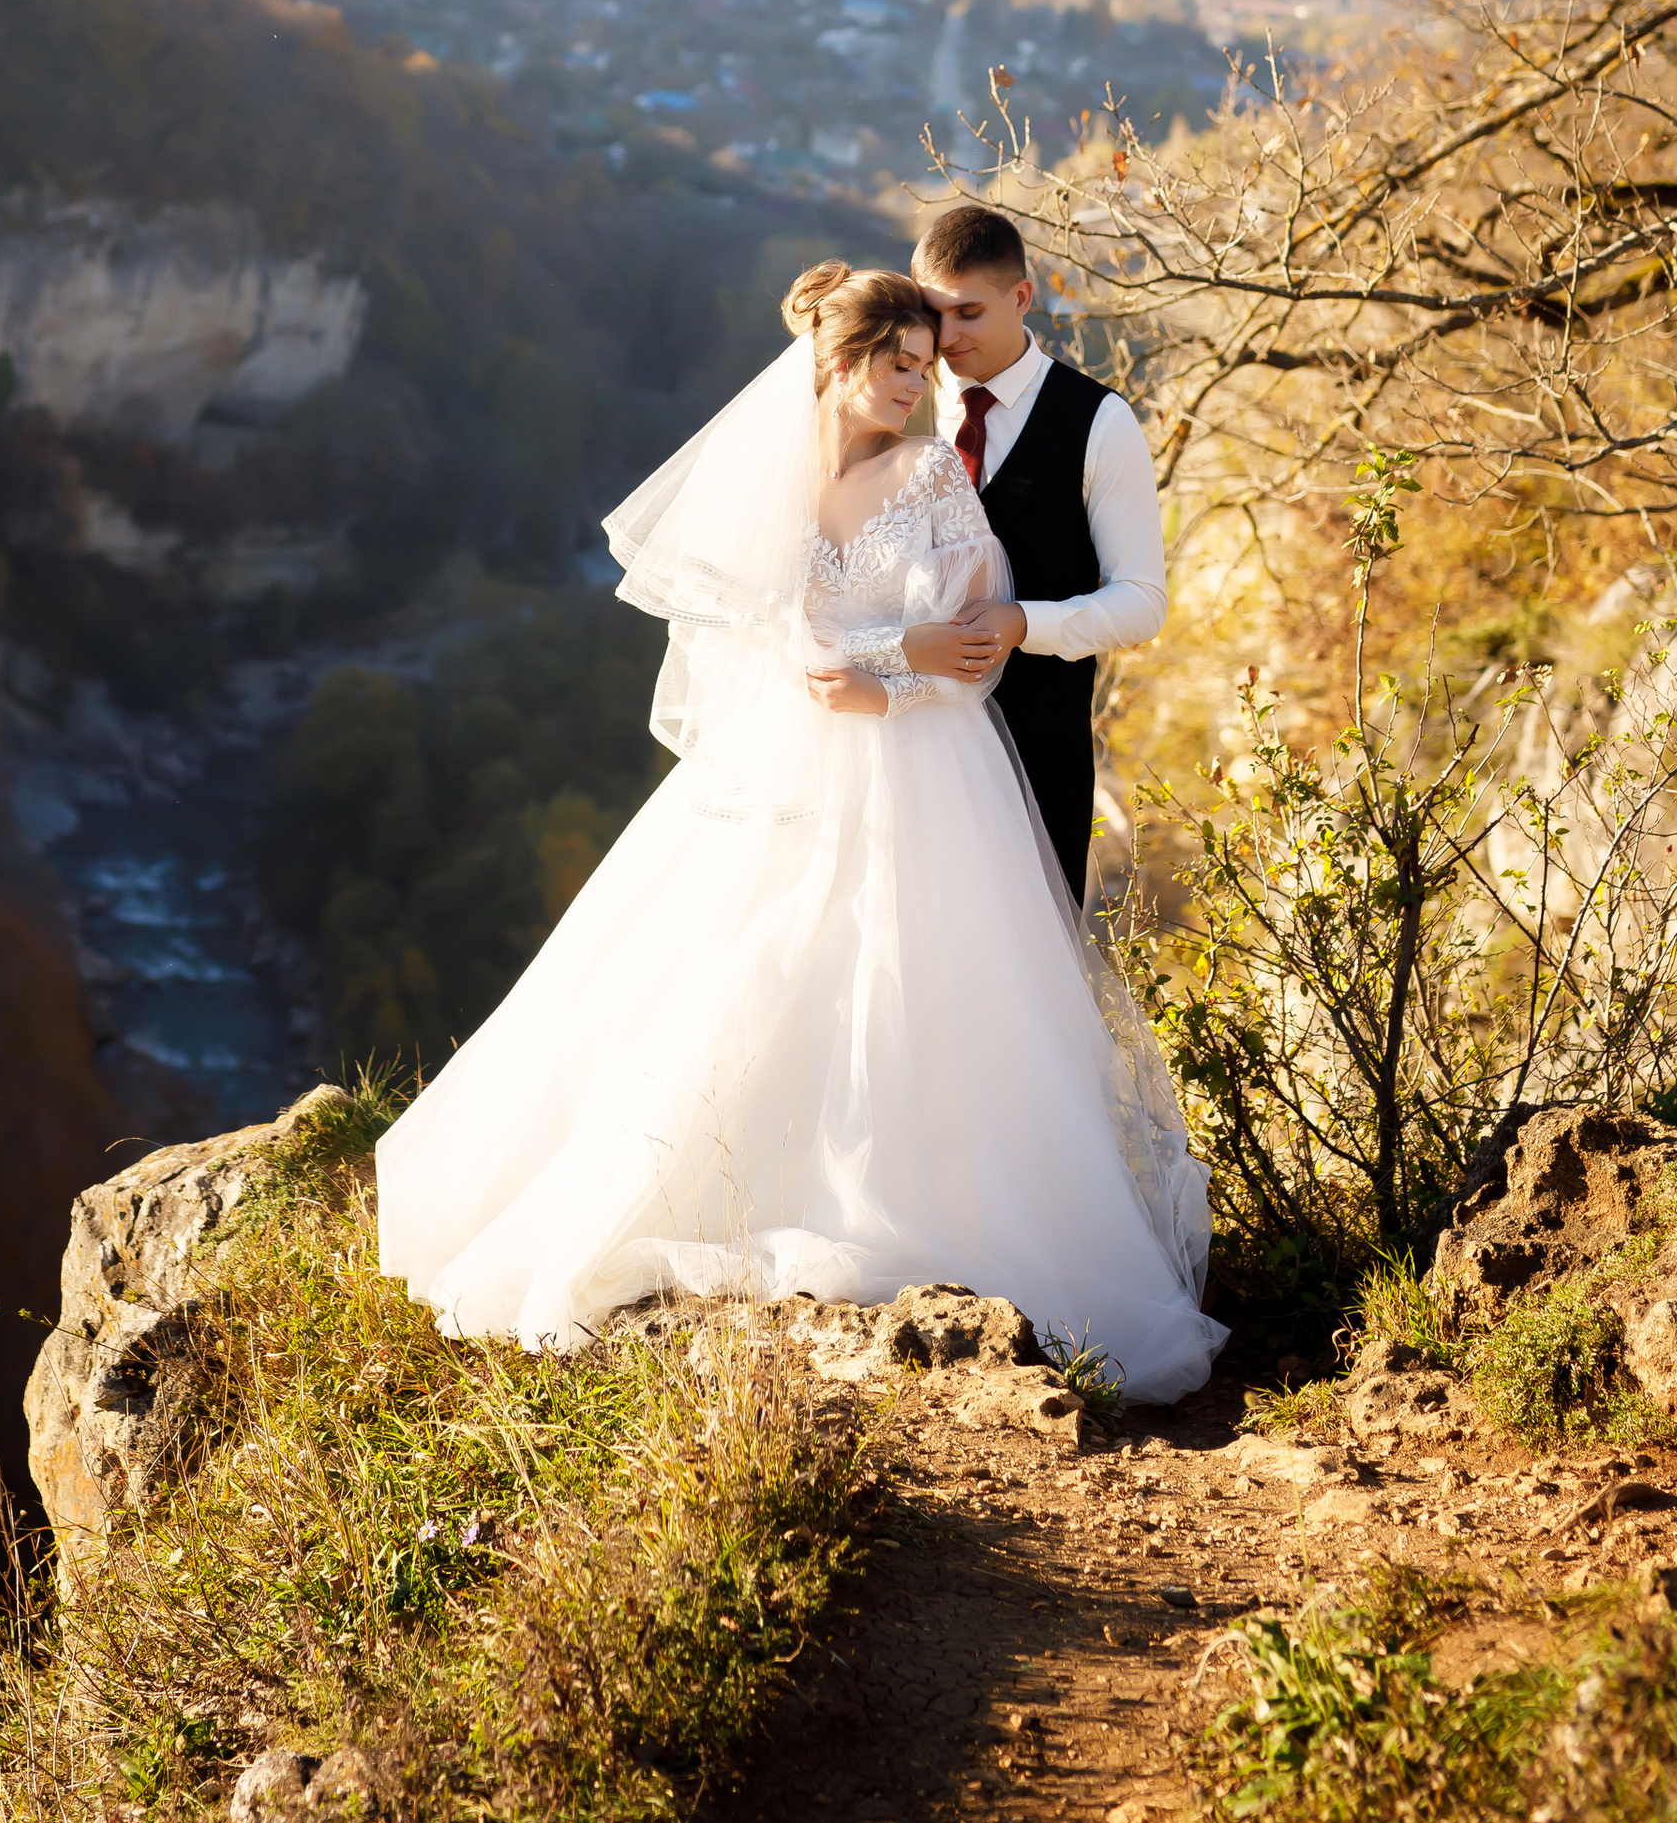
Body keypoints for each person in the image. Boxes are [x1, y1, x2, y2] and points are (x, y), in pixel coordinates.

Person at [371, 263, 1223, 1398]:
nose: (915, 390)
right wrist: (869, 661)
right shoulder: (764, 487)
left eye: (925, 370)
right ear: (836, 359)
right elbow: (763, 656)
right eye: (897, 365)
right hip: (780, 770)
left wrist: (898, 677)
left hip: (928, 772)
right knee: (743, 978)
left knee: (913, 988)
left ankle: (933, 1223)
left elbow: (969, 650)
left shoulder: (928, 475)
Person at [905, 200, 1166, 904]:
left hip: (1037, 760)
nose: (946, 336)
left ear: (1021, 297)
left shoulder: (1100, 423)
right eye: (934, 313)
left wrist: (1025, 623)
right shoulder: (899, 404)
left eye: (968, 313)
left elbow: (1142, 602)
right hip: (904, 755)